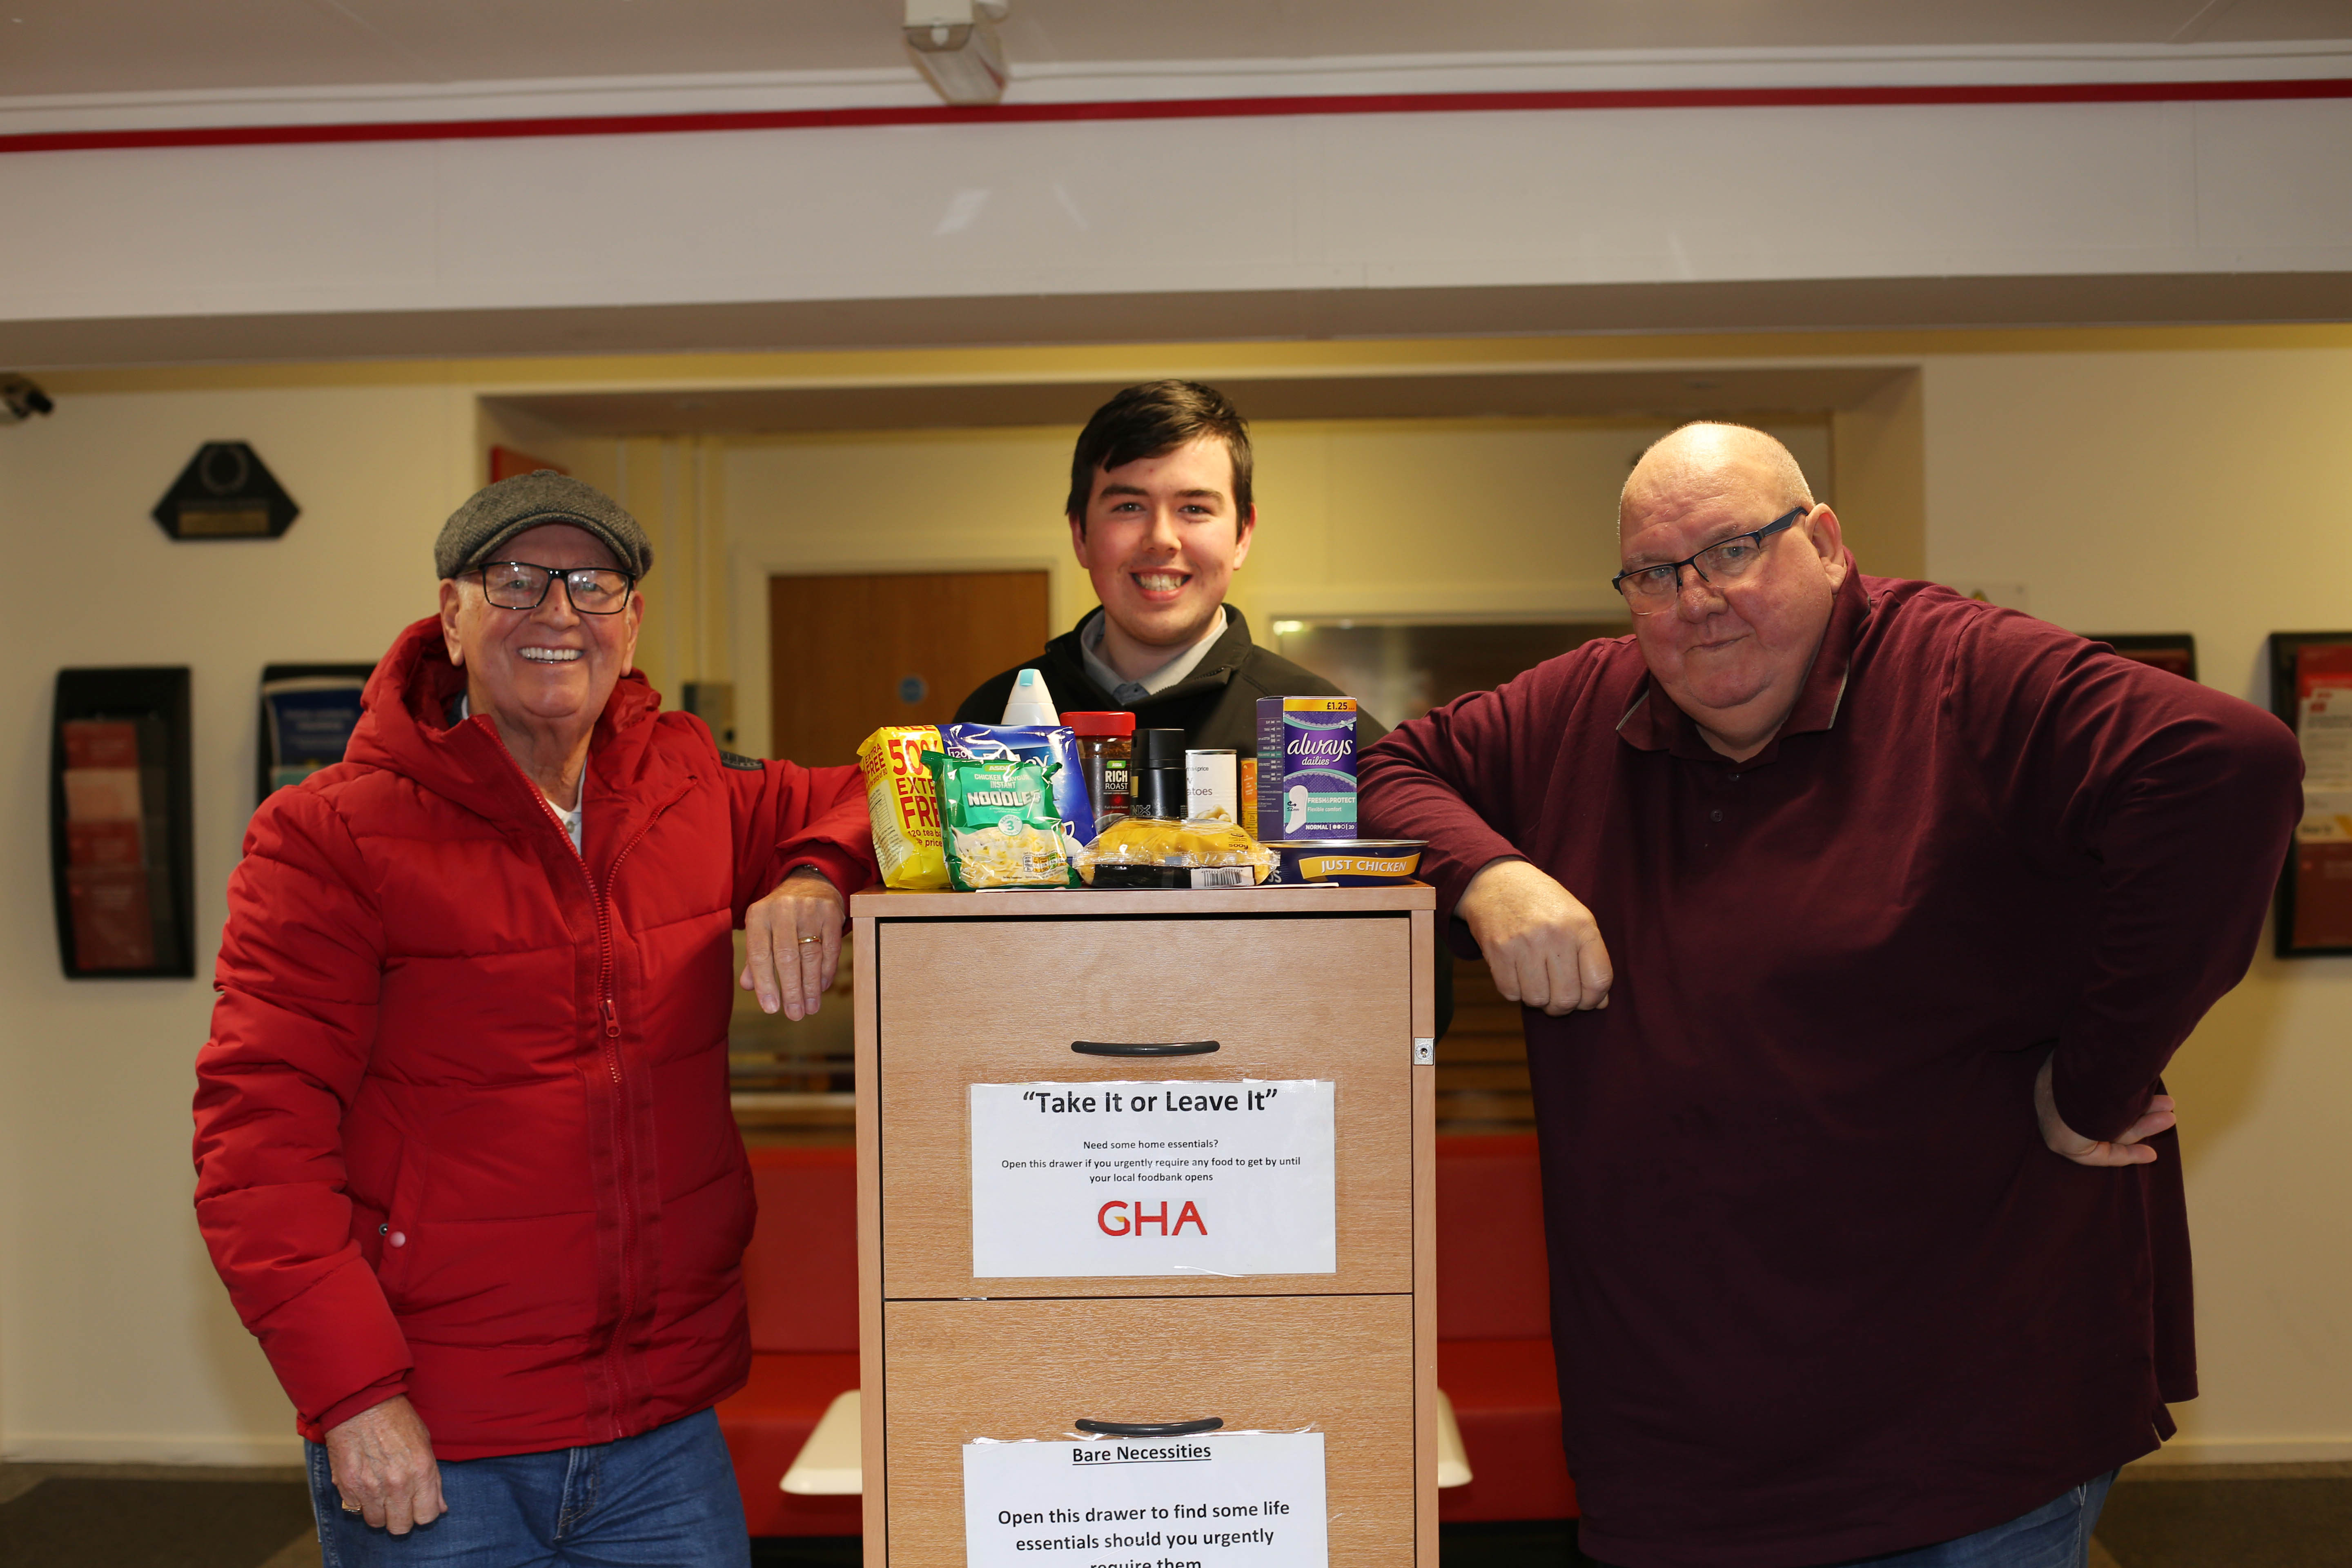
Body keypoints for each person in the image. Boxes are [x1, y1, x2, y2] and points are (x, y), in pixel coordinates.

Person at [1358, 423, 2302, 1568]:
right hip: (1676, 1454)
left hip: (1961, 1435)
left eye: (1734, 550)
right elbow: (1371, 769)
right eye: (1654, 575)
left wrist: (2096, 1083)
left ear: (1827, 543)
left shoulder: (1964, 672)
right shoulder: (1582, 708)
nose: (1696, 600)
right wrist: (1491, 876)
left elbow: (2228, 765)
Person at [193, 472, 878, 1565]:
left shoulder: (690, 787)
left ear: (632, 621)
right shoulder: (328, 838)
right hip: (436, 1438)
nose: (557, 613)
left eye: (593, 585)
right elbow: (257, 1147)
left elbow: (890, 790)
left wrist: (813, 870)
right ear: (452, 616)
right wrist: (355, 1397)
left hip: (661, 1432)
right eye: (514, 580)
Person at [954, 379, 1378, 755]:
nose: (1161, 538)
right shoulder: (990, 721)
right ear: (1080, 535)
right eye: (1129, 507)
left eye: (1194, 508)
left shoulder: (1321, 734)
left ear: (1242, 535)